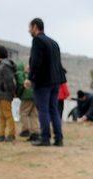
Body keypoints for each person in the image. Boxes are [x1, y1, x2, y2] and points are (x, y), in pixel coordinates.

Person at [27, 17, 67, 147]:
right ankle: (58, 139)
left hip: (43, 81)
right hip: (56, 82)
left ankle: (45, 138)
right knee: (54, 109)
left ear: (35, 27)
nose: (29, 30)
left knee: (43, 110)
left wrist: (30, 78)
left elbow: (36, 62)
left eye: (30, 27)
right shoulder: (54, 42)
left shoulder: (37, 40)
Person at [0, 46, 17, 143]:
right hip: (1, 94)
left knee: (7, 115)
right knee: (2, 115)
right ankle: (1, 134)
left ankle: (11, 134)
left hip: (5, 94)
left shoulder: (4, 66)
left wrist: (11, 92)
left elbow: (9, 81)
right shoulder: (2, 65)